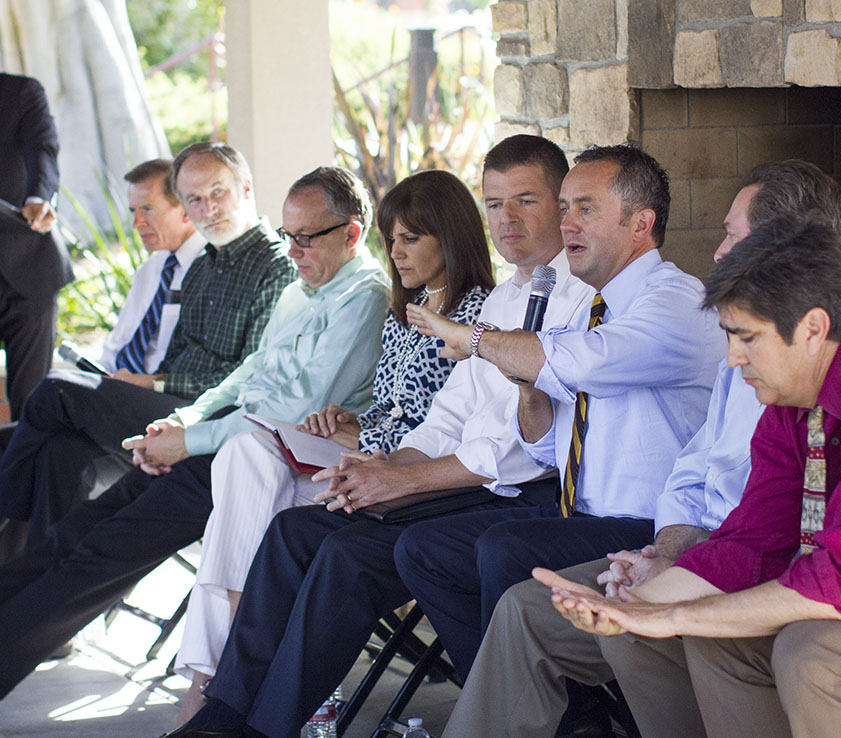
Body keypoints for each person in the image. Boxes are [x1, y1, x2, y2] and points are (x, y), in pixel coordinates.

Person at [164, 134, 594, 738]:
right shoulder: (504, 296)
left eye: (526, 199)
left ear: (565, 204)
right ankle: (226, 711)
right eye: (495, 203)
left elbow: (516, 452)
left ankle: (260, 729)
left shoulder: (579, 299)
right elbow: (446, 416)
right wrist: (384, 465)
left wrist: (401, 476)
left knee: (341, 551)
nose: (508, 219)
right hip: (452, 475)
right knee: (292, 529)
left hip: (510, 493)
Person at [539, 216, 841, 738]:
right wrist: (631, 608)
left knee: (817, 656)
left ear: (813, 328)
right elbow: (753, 544)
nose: (732, 358)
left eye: (747, 338)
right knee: (722, 636)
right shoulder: (799, 398)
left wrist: (675, 615)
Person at [439, 159, 841, 738]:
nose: (716, 254)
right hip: (683, 536)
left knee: (553, 575)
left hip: (717, 550)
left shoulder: (689, 309)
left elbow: (809, 548)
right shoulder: (750, 356)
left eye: (731, 237)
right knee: (517, 604)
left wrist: (671, 586)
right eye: (564, 208)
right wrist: (667, 552)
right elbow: (690, 469)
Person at [0, 165, 390, 700]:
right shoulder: (302, 291)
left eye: (307, 238)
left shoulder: (365, 298)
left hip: (269, 466)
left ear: (352, 231)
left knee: (96, 557)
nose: (294, 251)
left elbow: (293, 411)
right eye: (288, 236)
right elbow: (247, 374)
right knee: (72, 534)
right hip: (216, 444)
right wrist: (183, 422)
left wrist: (188, 440)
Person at [171, 169, 494, 724]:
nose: (395, 252)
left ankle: (224, 697)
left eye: (411, 238)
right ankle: (223, 702)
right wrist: (352, 424)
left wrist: (380, 455)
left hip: (431, 484)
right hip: (373, 459)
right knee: (267, 504)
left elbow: (456, 430)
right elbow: (393, 416)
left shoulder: (480, 319)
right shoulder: (403, 311)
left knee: (258, 484)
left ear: (452, 236)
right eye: (392, 239)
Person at [394, 144, 724, 684]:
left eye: (585, 209)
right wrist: (529, 392)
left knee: (505, 548)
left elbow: (584, 364)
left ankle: (538, 704)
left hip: (651, 523)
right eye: (565, 207)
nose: (567, 223)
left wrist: (474, 337)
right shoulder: (589, 304)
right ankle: (527, 702)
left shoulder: (675, 301)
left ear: (641, 223)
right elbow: (547, 445)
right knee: (424, 549)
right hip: (580, 511)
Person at [0, 142, 295, 557]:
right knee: (57, 453)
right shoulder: (189, 268)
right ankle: (33, 574)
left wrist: (150, 385)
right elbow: (148, 353)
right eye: (196, 199)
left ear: (245, 189)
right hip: (154, 399)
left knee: (55, 392)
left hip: (199, 417)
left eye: (216, 193)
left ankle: (9, 510)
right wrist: (133, 382)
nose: (207, 209)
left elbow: (248, 378)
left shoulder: (267, 266)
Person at [0, 73, 73, 421]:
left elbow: (42, 147)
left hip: (27, 263)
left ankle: (23, 476)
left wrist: (39, 197)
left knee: (30, 405)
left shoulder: (21, 91)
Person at [98, 159, 205, 374]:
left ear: (186, 210)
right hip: (120, 387)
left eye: (147, 209)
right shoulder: (151, 269)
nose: (137, 223)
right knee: (57, 384)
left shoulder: (210, 270)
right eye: (133, 211)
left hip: (166, 393)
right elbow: (116, 347)